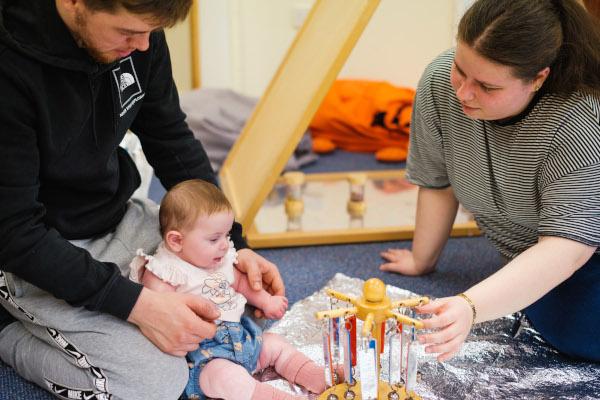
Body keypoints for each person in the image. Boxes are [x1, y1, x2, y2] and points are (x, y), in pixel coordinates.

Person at [0, 1, 284, 399]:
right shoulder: (10, 69)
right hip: (32, 250)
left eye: (151, 33)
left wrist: (233, 243)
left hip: (117, 215)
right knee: (155, 383)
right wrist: (139, 306)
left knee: (220, 298)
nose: (145, 47)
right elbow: (14, 232)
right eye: (128, 33)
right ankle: (11, 332)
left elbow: (170, 138)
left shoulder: (140, 36)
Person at [379, 0, 600, 362]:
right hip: (532, 248)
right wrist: (422, 260)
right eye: (459, 68)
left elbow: (566, 249)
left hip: (584, 251)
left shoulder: (579, 119)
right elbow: (437, 180)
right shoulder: (439, 83)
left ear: (538, 79)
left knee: (574, 330)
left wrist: (471, 305)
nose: (463, 92)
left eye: (486, 86)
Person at [129, 179, 327, 400]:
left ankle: (317, 376)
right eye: (214, 238)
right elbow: (158, 310)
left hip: (242, 338)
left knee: (274, 344)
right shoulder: (165, 270)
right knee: (228, 379)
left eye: (226, 235)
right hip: (205, 357)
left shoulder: (219, 257)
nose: (224, 244)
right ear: (176, 241)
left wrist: (265, 301)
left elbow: (241, 283)